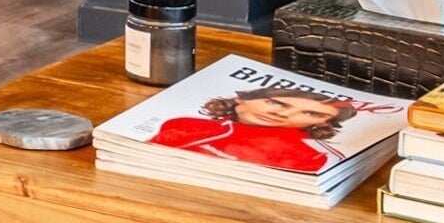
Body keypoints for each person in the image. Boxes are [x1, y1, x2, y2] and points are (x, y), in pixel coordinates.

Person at [150, 85, 358, 175]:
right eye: (276, 103)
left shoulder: (309, 157)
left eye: (311, 114)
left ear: (322, 123)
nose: (283, 115)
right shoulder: (183, 124)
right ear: (241, 98)